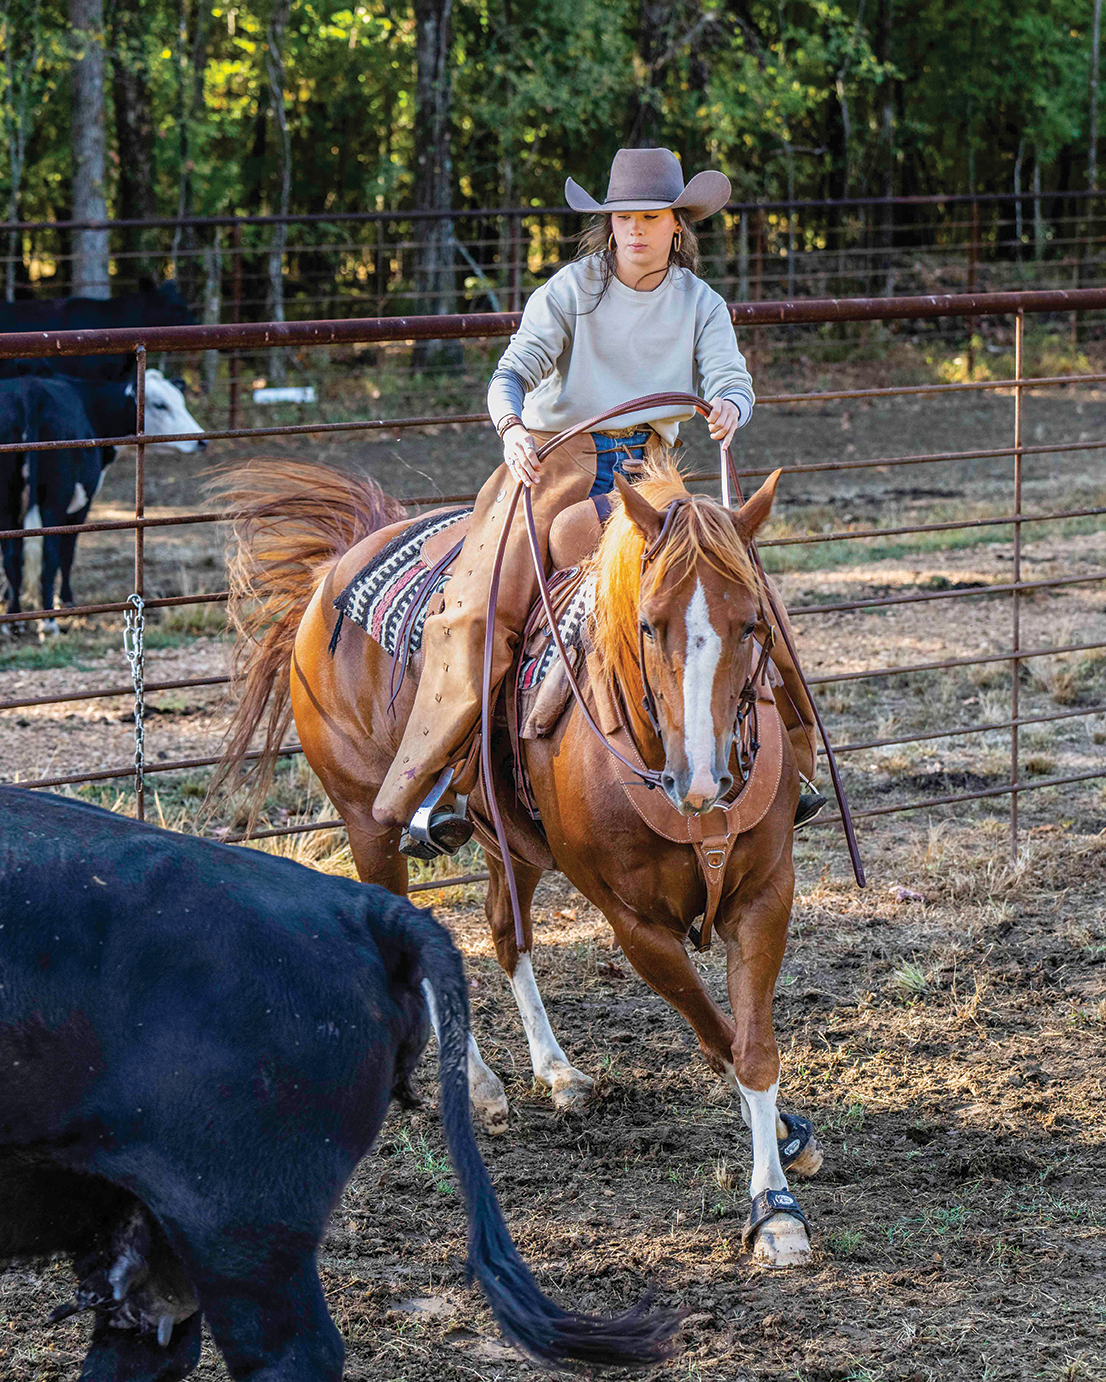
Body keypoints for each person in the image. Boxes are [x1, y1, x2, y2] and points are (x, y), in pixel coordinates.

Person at [373, 147, 823, 858]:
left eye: (650, 217)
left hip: (652, 472)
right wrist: (512, 427)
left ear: (678, 225)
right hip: (556, 464)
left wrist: (732, 403)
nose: (635, 231)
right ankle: (442, 783)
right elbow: (510, 372)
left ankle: (793, 762)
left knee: (743, 592)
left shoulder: (699, 302)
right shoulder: (572, 290)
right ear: (606, 225)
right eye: (622, 219)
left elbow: (731, 375)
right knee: (487, 604)